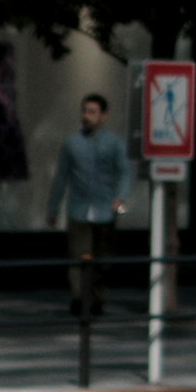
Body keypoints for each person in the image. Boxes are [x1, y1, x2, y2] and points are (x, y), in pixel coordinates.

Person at [56, 92, 134, 312]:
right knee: (79, 257)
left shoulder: (114, 144)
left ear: (103, 116)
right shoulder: (72, 143)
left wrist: (120, 200)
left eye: (92, 112)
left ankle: (97, 298)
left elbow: (125, 172)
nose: (87, 116)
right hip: (79, 211)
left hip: (105, 211)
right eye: (85, 111)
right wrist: (53, 209)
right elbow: (62, 176)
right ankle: (79, 298)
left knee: (102, 260)